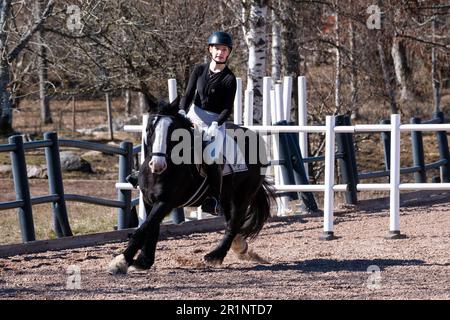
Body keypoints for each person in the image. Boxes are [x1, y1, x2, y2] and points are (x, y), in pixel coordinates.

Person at [178, 31, 237, 214]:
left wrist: (216, 123)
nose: (220, 52)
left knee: (211, 155)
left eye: (224, 49)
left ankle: (213, 197)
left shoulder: (229, 78)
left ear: (228, 53)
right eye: (217, 48)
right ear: (210, 49)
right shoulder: (199, 70)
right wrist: (181, 110)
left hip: (214, 122)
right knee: (167, 136)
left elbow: (227, 108)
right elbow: (188, 95)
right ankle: (144, 174)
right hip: (193, 116)